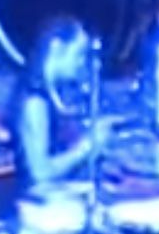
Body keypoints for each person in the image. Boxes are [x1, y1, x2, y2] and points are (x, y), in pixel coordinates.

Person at [11, 17, 115, 189]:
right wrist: (87, 146)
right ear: (57, 48)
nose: (82, 63)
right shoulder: (34, 103)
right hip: (40, 206)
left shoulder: (50, 95)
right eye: (79, 54)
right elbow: (41, 173)